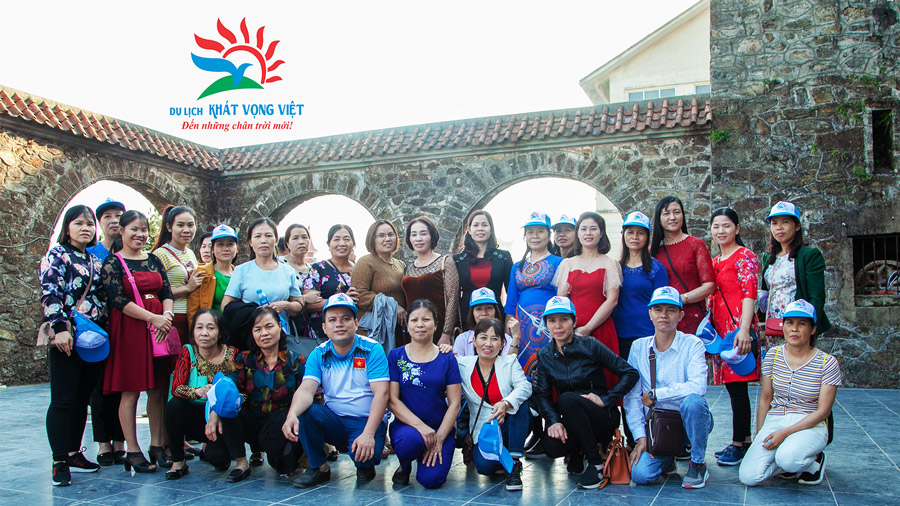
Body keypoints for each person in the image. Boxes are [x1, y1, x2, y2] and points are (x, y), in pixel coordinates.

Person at [282, 293, 390, 488]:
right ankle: (319, 467)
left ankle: (364, 463)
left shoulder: (372, 349)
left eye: (345, 318)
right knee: (306, 413)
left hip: (365, 421)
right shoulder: (319, 354)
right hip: (334, 420)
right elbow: (306, 389)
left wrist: (368, 434)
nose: (339, 324)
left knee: (365, 459)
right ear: (324, 327)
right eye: (332, 320)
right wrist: (292, 415)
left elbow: (382, 394)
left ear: (356, 323)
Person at [534, 296, 639, 489]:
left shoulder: (590, 345)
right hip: (572, 418)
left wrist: (606, 399)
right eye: (552, 320)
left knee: (567, 399)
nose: (558, 326)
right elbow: (542, 394)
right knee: (552, 446)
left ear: (574, 322)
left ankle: (596, 464)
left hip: (602, 416)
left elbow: (630, 373)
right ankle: (577, 450)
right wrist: (553, 421)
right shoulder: (545, 355)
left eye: (564, 319)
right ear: (546, 324)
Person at [101, 210, 175, 474]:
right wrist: (153, 318)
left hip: (159, 328)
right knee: (130, 389)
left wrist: (166, 317)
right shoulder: (113, 262)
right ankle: (132, 450)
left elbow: (166, 291)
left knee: (157, 388)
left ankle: (157, 444)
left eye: (144, 230)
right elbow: (118, 300)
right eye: (134, 229)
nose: (140, 234)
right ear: (121, 231)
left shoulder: (153, 259)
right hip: (130, 328)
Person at [739, 300, 840, 487]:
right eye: (789, 322)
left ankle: (814, 463)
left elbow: (823, 411)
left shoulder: (827, 363)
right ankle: (789, 460)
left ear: (812, 329)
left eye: (802, 323)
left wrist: (785, 433)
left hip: (809, 423)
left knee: (788, 459)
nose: (794, 329)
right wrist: (760, 434)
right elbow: (766, 398)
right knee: (748, 477)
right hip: (776, 419)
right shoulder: (773, 355)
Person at [41, 205, 107, 486]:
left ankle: (73, 453)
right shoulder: (58, 254)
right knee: (63, 399)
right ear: (67, 227)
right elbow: (50, 291)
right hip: (68, 335)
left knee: (82, 398)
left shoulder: (94, 259)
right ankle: (59, 461)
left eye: (90, 224)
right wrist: (59, 328)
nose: (85, 228)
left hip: (93, 338)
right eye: (78, 223)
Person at [626, 286, 714, 489]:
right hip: (659, 428)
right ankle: (667, 456)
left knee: (693, 402)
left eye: (671, 310)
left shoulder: (693, 344)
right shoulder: (638, 347)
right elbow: (632, 397)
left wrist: (657, 394)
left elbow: (698, 387)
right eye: (658, 309)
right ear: (650, 314)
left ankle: (698, 463)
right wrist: (641, 438)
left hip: (689, 422)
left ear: (681, 315)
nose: (663, 315)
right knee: (641, 474)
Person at [503, 212, 562, 458]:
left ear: (549, 234)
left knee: (548, 375)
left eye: (540, 231)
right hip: (523, 333)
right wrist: (509, 329)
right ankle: (535, 430)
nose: (535, 236)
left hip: (548, 329)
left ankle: (551, 430)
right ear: (525, 236)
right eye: (530, 232)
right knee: (525, 377)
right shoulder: (517, 267)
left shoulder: (559, 263)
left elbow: (561, 297)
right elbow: (511, 301)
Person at [386, 299, 462, 489]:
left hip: (440, 428)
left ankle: (428, 453)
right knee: (408, 444)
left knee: (431, 480)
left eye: (426, 319)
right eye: (414, 320)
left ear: (435, 325)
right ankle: (405, 465)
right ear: (407, 325)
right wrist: (421, 428)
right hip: (408, 427)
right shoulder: (395, 356)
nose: (420, 324)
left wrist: (439, 438)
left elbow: (455, 403)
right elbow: (392, 400)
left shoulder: (447, 357)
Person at [164, 309, 246, 481]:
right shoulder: (188, 352)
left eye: (210, 328)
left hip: (222, 418)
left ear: (220, 332)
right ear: (193, 331)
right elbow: (176, 388)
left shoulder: (232, 354)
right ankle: (178, 461)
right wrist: (197, 391)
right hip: (194, 417)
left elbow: (242, 393)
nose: (204, 333)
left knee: (218, 460)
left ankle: (234, 457)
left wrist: (219, 407)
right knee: (173, 406)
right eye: (199, 327)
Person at [708, 208, 761, 466]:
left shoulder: (744, 257)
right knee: (733, 389)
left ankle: (738, 443)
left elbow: (749, 294)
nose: (721, 231)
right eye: (716, 226)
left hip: (737, 329)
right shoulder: (716, 261)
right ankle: (745, 440)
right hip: (722, 332)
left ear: (737, 229)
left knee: (738, 388)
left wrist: (744, 329)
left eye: (726, 225)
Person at [227, 306, 306, 475]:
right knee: (230, 408)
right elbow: (231, 388)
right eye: (258, 329)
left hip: (282, 425)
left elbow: (309, 394)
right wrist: (215, 411)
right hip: (253, 422)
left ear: (280, 326)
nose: (264, 333)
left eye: (269, 326)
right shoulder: (245, 359)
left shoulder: (295, 361)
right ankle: (241, 462)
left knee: (285, 467)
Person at [456, 318, 532, 491]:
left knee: (520, 404)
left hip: (509, 426)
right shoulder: (463, 365)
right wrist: (444, 349)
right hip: (484, 431)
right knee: (484, 468)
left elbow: (525, 387)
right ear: (474, 341)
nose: (488, 344)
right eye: (483, 337)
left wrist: (506, 403)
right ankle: (502, 459)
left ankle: (514, 463)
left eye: (495, 339)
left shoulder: (509, 362)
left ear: (502, 344)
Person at [556, 211, 622, 390]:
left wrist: (587, 328)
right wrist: (570, 329)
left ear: (601, 233)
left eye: (593, 228)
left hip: (601, 328)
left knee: (603, 381)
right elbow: (561, 301)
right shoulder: (567, 264)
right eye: (583, 228)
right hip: (571, 331)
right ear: (577, 233)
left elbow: (612, 300)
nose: (588, 233)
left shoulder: (610, 263)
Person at [221, 218, 304, 351]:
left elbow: (299, 304)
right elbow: (226, 305)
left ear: (276, 240)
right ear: (250, 242)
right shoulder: (241, 270)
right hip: (250, 336)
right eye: (258, 236)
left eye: (268, 235)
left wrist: (286, 305)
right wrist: (252, 311)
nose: (263, 240)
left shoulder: (287, 271)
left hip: (281, 337)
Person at [85, 198, 126, 468]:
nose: (114, 220)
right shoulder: (91, 254)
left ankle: (121, 441)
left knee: (122, 385)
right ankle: (103, 442)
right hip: (98, 327)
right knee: (98, 386)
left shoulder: (129, 253)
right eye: (108, 216)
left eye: (118, 215)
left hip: (124, 326)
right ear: (100, 222)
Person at [760, 201, 831, 345]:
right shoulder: (769, 258)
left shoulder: (809, 255)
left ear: (797, 226)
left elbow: (817, 297)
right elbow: (765, 292)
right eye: (774, 223)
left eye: (785, 222)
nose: (779, 227)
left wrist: (808, 325)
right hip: (773, 323)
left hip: (796, 324)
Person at [612, 211, 669, 376]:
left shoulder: (656, 268)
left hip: (646, 334)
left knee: (648, 380)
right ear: (623, 235)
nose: (635, 237)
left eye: (640, 233)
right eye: (630, 232)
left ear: (647, 237)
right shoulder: (615, 267)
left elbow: (663, 305)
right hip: (619, 334)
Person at [650, 196, 715, 334]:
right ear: (659, 219)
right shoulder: (652, 252)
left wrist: (680, 299)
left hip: (692, 319)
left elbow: (709, 286)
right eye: (666, 213)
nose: (672, 217)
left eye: (677, 212)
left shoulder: (695, 245)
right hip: (663, 321)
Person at [401, 216, 459, 346]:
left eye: (423, 233)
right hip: (413, 330)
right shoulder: (407, 267)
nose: (418, 238)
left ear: (432, 236)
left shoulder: (445, 262)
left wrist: (446, 334)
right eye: (414, 234)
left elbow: (452, 299)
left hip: (438, 330)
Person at [151, 205, 203, 344]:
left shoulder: (190, 253)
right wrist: (187, 288)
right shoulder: (160, 254)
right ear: (169, 227)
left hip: (192, 316)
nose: (186, 230)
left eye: (190, 225)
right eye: (180, 225)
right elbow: (156, 293)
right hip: (173, 318)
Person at [453, 209, 512, 331]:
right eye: (476, 225)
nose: (480, 228)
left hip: (496, 319)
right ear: (469, 230)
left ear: (491, 229)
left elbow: (511, 293)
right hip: (466, 320)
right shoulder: (458, 260)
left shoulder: (503, 257)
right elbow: (454, 297)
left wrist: (508, 321)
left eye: (484, 225)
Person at [351, 220, 407, 345]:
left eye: (391, 234)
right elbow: (359, 295)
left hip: (396, 329)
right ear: (372, 239)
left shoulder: (400, 265)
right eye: (381, 235)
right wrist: (393, 306)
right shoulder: (366, 262)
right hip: (372, 331)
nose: (387, 239)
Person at [303, 224, 360, 340]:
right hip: (323, 334)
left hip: (354, 332)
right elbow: (309, 304)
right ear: (329, 244)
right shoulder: (318, 269)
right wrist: (343, 299)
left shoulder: (360, 269)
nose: (342, 243)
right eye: (336, 239)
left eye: (346, 239)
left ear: (353, 244)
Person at [187, 224, 238, 323]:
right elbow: (193, 311)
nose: (226, 248)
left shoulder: (240, 274)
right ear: (212, 249)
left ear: (237, 248)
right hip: (211, 329)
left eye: (230, 244)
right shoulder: (202, 273)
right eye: (220, 244)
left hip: (236, 329)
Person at [453, 287, 518, 357]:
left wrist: (516, 337)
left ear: (495, 311)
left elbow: (509, 362)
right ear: (472, 313)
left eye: (489, 308)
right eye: (479, 309)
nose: (484, 313)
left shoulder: (506, 339)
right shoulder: (462, 339)